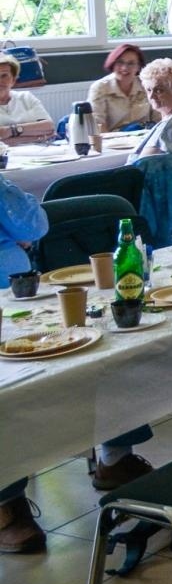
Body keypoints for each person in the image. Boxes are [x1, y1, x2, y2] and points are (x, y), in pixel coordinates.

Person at [0, 173, 49, 553]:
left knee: (96, 342)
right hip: (13, 296)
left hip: (20, 296)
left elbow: (34, 226)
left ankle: (116, 457)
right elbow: (29, 226)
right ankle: (6, 502)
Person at [88, 44, 154, 132]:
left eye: (131, 63)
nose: (124, 68)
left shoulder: (147, 85)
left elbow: (158, 118)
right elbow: (98, 126)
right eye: (120, 62)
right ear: (113, 64)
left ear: (138, 66)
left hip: (144, 138)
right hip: (113, 141)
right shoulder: (99, 88)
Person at [0, 54, 53, 144]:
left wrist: (9, 131)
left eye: (4, 76)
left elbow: (49, 126)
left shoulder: (26, 97)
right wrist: (36, 136)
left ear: (13, 80)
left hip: (39, 152)